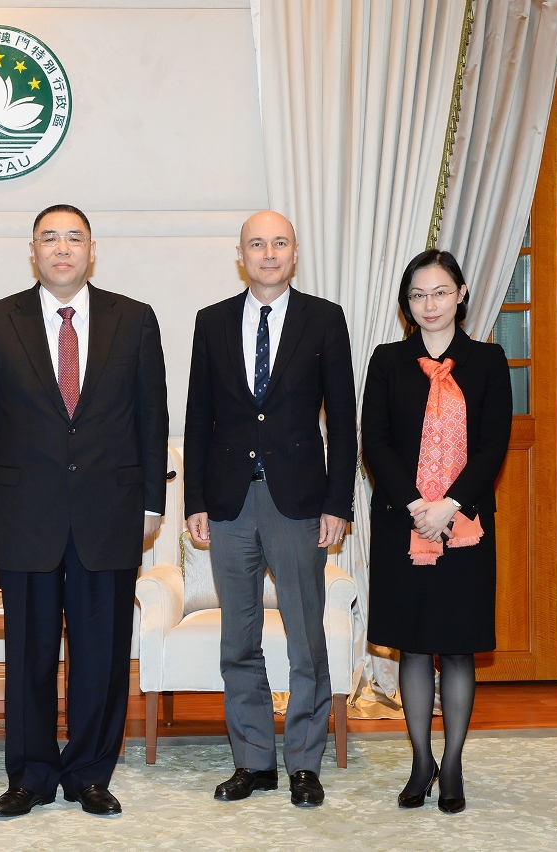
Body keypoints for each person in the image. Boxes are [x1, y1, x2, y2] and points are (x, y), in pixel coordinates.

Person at [0, 204, 168, 818]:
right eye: (49, 238)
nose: (61, 249)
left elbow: (152, 418)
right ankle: (29, 774)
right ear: (32, 250)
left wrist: (152, 502)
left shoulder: (133, 319)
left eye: (73, 238)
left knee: (102, 653)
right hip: (24, 514)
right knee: (29, 650)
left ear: (91, 249)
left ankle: (89, 772)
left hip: (110, 512)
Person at [183, 210, 356, 808]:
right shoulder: (212, 322)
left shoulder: (324, 320)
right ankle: (254, 761)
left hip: (300, 501)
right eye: (257, 244)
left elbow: (345, 420)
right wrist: (195, 501)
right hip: (230, 502)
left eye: (279, 243)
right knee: (239, 640)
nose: (269, 253)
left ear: (295, 251)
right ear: (241, 254)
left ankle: (304, 763)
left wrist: (339, 503)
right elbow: (197, 418)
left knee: (307, 638)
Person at [361, 249, 511, 814]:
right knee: (414, 645)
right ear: (407, 303)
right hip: (404, 524)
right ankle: (421, 760)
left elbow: (493, 443)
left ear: (462, 294)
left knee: (456, 645)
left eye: (440, 292)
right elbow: (373, 439)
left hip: (465, 522)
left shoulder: (489, 361)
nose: (429, 305)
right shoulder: (387, 361)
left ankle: (452, 766)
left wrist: (449, 505)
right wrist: (415, 506)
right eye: (418, 295)